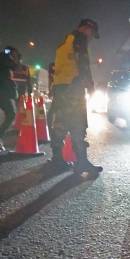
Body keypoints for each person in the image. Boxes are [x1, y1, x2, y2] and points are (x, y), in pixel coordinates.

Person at [49, 19, 102, 177]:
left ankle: (57, 159)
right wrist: (90, 85)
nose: (91, 38)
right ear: (86, 28)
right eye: (92, 33)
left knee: (61, 122)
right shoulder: (79, 38)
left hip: (60, 86)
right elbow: (82, 62)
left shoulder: (65, 39)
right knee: (78, 122)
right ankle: (81, 161)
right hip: (73, 86)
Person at [46, 61, 56, 132]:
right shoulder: (52, 66)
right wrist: (49, 90)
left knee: (53, 109)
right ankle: (49, 128)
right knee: (53, 109)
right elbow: (50, 79)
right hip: (57, 88)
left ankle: (50, 127)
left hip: (61, 88)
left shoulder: (63, 65)